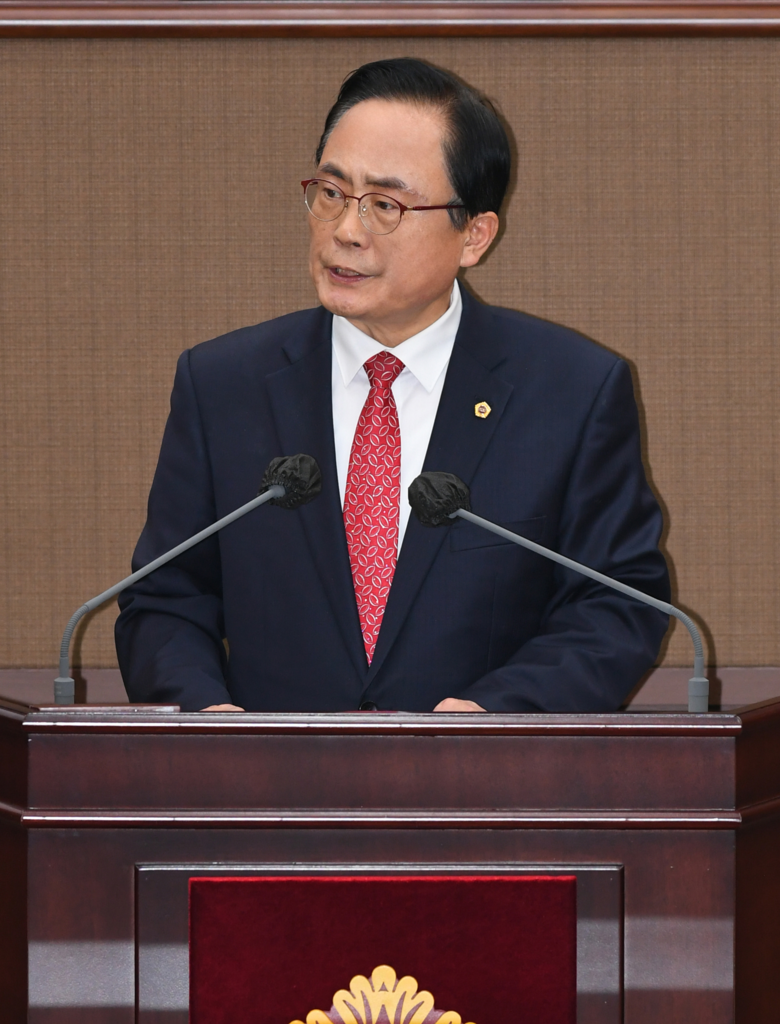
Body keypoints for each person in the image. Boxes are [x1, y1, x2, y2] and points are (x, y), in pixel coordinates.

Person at [115, 57, 670, 714]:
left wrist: (496, 716)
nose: (346, 231)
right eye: (331, 193)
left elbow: (617, 604)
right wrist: (207, 721)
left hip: (481, 773)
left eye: (385, 205)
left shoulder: (571, 392)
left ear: (474, 235)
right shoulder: (223, 385)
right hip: (269, 774)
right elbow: (165, 600)